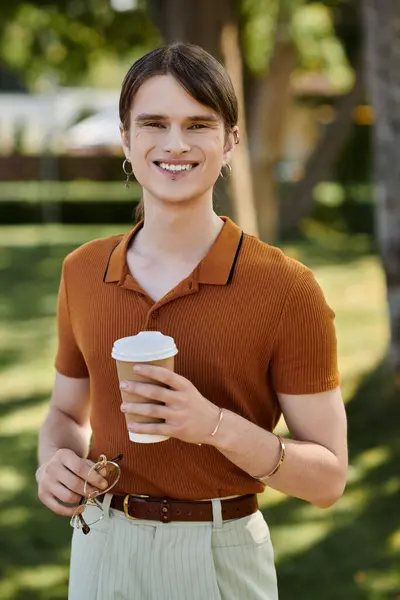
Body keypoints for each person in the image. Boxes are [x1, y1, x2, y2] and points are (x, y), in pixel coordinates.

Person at [36, 42, 348, 600]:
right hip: (101, 550)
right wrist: (56, 461)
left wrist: (211, 425)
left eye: (198, 124)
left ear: (230, 141)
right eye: (153, 123)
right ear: (127, 140)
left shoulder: (287, 288)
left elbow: (328, 479)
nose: (175, 143)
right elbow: (65, 410)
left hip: (221, 556)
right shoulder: (81, 272)